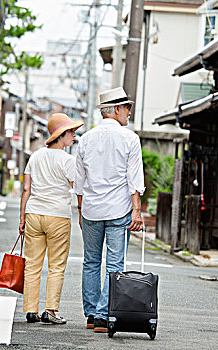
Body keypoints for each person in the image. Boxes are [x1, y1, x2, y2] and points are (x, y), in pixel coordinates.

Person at [74, 87, 145, 333]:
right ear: (116, 109)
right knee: (115, 263)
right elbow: (134, 178)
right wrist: (136, 211)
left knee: (91, 262)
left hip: (91, 210)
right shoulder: (129, 138)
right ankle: (104, 316)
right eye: (127, 107)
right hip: (118, 210)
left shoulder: (85, 139)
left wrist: (81, 209)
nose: (128, 112)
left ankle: (92, 314)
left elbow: (79, 181)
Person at [19, 113, 83, 325]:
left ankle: (30, 310)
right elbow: (77, 189)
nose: (74, 136)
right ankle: (50, 310)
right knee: (56, 265)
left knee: (32, 265)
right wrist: (82, 212)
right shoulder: (68, 160)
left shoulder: (35, 156)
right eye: (71, 132)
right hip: (58, 216)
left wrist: (22, 218)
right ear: (61, 134)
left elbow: (26, 188)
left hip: (34, 214)